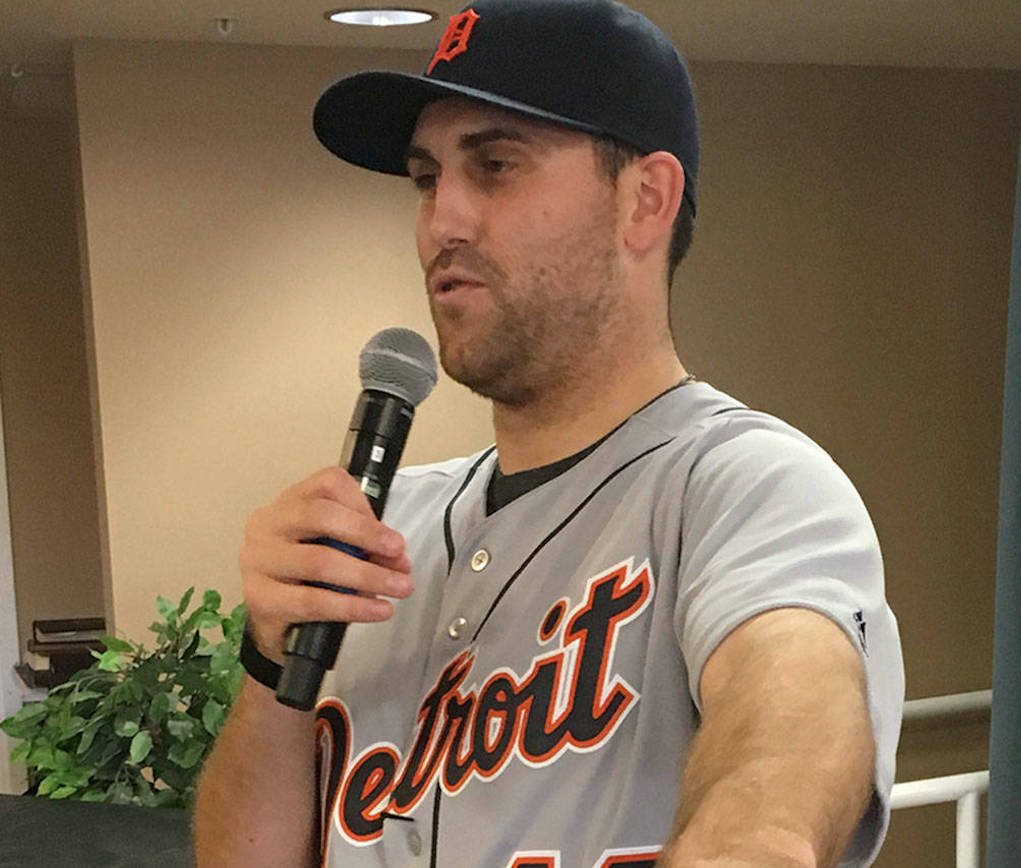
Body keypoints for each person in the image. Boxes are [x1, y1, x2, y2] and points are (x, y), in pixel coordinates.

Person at [192, 1, 903, 865]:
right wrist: (270, 664)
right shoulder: (380, 534)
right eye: (426, 178)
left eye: (494, 165)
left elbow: (784, 742)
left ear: (645, 201)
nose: (440, 222)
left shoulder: (743, 487)